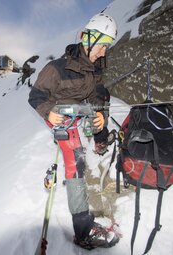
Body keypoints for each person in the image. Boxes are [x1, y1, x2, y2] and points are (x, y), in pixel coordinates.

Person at [28, 13, 119, 250]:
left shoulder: (94, 70)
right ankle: (82, 230)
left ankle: (99, 139)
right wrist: (49, 112)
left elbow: (97, 95)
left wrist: (100, 114)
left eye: (106, 48)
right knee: (76, 160)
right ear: (88, 39)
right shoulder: (55, 69)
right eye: (102, 46)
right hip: (60, 116)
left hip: (78, 111)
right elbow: (36, 96)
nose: (103, 53)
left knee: (103, 104)